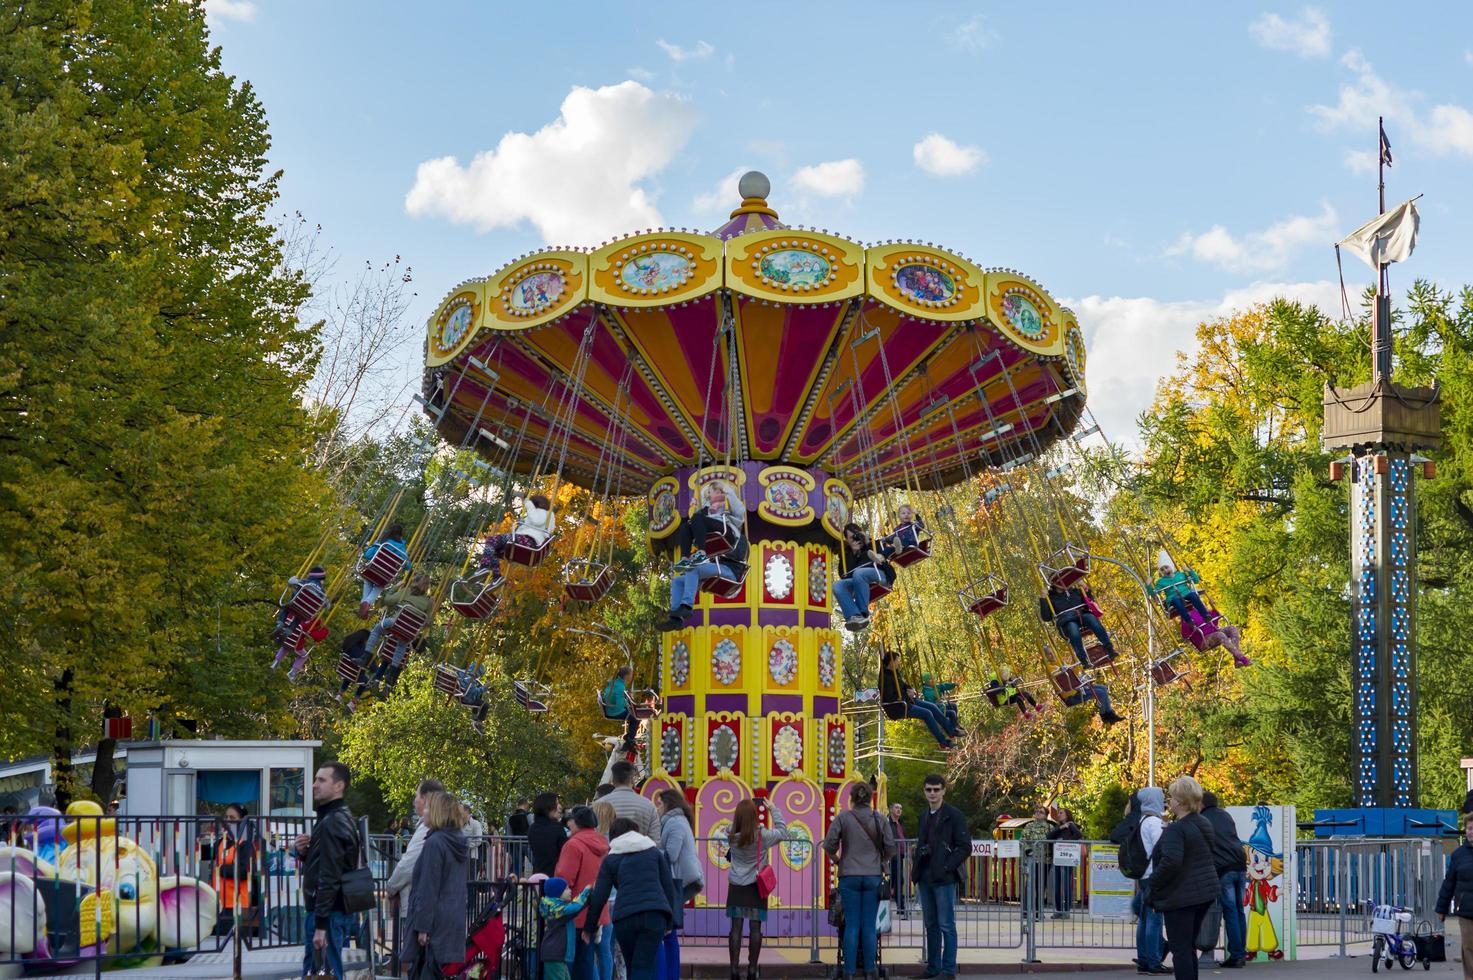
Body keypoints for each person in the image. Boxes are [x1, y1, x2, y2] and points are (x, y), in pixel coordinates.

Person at [582, 817, 681, 980]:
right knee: (645, 965)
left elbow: (600, 895)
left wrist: (589, 926)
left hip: (625, 916)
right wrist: (671, 921)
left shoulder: (610, 859)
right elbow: (668, 886)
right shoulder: (654, 852)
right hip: (655, 914)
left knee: (631, 965)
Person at [822, 782, 896, 980]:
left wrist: (838, 860)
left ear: (852, 798)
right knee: (869, 926)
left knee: (852, 925)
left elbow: (829, 844)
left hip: (849, 876)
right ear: (870, 798)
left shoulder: (843, 818)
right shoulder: (879, 819)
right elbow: (890, 847)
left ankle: (849, 971)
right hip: (872, 876)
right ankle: (870, 970)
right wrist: (881, 861)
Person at [294, 762, 360, 980]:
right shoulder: (336, 817)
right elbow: (332, 864)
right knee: (325, 972)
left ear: (339, 786)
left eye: (321, 780)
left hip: (327, 912)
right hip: (331, 910)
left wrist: (321, 925)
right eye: (315, 779)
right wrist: (306, 853)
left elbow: (331, 875)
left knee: (323, 973)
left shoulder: (334, 820)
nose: (314, 785)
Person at [1151, 776, 1220, 980]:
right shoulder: (1203, 822)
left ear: (1179, 802)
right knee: (1188, 947)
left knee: (1180, 949)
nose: (1169, 802)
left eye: (1171, 798)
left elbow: (1171, 862)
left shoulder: (1176, 829)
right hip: (1204, 892)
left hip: (1181, 895)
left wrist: (1153, 883)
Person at [658, 487, 748, 631]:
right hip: (716, 571)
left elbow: (738, 556)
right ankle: (675, 618)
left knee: (693, 569)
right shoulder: (714, 537)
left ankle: (687, 606)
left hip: (730, 573)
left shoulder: (739, 539)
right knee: (677, 580)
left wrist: (727, 491)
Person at [725, 797, 794, 980]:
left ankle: (733, 969)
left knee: (735, 928)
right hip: (756, 886)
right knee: (755, 928)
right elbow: (783, 831)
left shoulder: (730, 835)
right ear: (755, 816)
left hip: (736, 886)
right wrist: (773, 808)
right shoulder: (763, 837)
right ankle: (753, 969)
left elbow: (730, 828)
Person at [406, 790, 470, 978]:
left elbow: (428, 888)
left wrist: (422, 927)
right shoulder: (458, 842)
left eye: (427, 808)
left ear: (436, 812)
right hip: (452, 921)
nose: (423, 812)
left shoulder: (435, 843)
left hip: (433, 924)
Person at [912, 773, 969, 980]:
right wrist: (916, 868)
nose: (933, 793)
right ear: (924, 791)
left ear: (944, 790)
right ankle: (933, 968)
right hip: (925, 876)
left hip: (943, 877)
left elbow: (965, 846)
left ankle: (948, 970)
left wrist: (947, 866)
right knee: (931, 924)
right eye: (929, 789)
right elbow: (921, 843)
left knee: (946, 924)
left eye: (936, 789)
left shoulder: (954, 815)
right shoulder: (924, 816)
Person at [554, 806, 611, 980]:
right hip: (599, 911)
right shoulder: (603, 844)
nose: (568, 823)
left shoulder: (573, 845)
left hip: (575, 912)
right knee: (588, 961)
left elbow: (564, 879)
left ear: (577, 823)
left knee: (574, 963)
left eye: (571, 820)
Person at [384, 779, 447, 927]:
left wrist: (391, 889)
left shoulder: (428, 829)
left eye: (416, 796)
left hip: (418, 907)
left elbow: (408, 865)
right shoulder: (443, 826)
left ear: (425, 799)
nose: (414, 801)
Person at [656, 789, 703, 980]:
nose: (657, 807)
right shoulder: (678, 821)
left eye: (659, 803)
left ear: (668, 804)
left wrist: (653, 851)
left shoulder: (674, 823)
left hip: (675, 879)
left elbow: (671, 854)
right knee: (670, 931)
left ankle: (669, 974)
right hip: (678, 878)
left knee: (668, 931)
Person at [879, 648, 963, 749]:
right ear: (891, 662)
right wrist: (907, 695)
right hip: (899, 707)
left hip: (908, 701)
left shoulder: (895, 672)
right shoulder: (885, 678)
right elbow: (890, 696)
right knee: (927, 714)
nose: (899, 664)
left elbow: (903, 685)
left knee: (932, 707)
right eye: (897, 661)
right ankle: (943, 741)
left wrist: (910, 689)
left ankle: (950, 730)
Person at [1200, 791, 1248, 968]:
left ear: (1202, 804)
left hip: (1224, 869)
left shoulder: (1203, 819)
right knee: (1239, 910)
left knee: (1230, 912)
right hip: (1240, 866)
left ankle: (1236, 955)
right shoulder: (1225, 815)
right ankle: (1240, 952)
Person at [833, 523, 895, 632]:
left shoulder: (874, 543)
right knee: (837, 586)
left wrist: (868, 542)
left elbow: (884, 555)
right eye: (852, 538)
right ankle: (855, 616)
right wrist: (853, 552)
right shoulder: (847, 554)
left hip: (880, 575)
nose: (856, 539)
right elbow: (844, 574)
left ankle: (862, 613)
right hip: (859, 579)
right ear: (847, 540)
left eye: (857, 535)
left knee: (859, 573)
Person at [479, 493, 556, 579]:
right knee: (494, 550)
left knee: (491, 540)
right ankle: (496, 577)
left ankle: (484, 567)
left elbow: (536, 521)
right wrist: (523, 523)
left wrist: (528, 503)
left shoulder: (545, 513)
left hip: (528, 541)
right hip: (528, 542)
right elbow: (536, 524)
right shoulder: (545, 516)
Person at [1135, 787, 1170, 976]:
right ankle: (1153, 962)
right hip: (1154, 876)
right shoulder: (1154, 822)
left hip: (1143, 876)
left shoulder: (1141, 820)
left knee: (1144, 919)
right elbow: (1162, 848)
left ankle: (1143, 959)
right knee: (1154, 920)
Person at [1039, 583, 1117, 667]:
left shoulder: (1075, 591)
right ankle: (1083, 659)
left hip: (1083, 614)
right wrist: (1043, 598)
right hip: (1067, 621)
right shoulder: (1051, 598)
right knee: (1073, 629)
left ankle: (1109, 647)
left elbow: (1090, 602)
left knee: (1092, 619)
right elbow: (1046, 617)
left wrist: (1086, 589)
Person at [1436, 813, 1473, 980]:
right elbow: (1449, 882)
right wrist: (1441, 908)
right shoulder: (1458, 855)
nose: (1472, 832)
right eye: (1470, 828)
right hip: (1466, 911)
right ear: (1465, 831)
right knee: (1468, 948)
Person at [212, 803, 258, 936]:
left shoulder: (246, 845)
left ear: (242, 821)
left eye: (232, 818)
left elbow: (245, 871)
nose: (227, 821)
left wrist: (221, 869)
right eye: (226, 817)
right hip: (219, 904)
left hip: (237, 905)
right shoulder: (220, 842)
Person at [539, 875, 593, 980]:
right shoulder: (557, 910)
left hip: (556, 955)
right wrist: (586, 891)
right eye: (566, 888)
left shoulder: (558, 908)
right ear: (557, 893)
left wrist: (588, 898)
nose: (569, 891)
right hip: (555, 954)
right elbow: (574, 908)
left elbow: (575, 909)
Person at [358, 523, 411, 618]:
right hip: (385, 576)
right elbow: (408, 566)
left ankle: (364, 602)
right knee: (379, 586)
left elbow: (368, 555)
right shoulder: (402, 550)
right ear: (401, 536)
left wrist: (373, 546)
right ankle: (367, 602)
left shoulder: (382, 542)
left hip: (373, 570)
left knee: (368, 580)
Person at [603, 760, 660, 840]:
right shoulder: (648, 805)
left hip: (610, 851)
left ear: (613, 780)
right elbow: (655, 840)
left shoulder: (600, 805)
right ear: (632, 780)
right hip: (641, 850)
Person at [1018, 805, 1054, 915]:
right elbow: (1023, 840)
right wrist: (1028, 851)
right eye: (1036, 811)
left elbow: (1053, 842)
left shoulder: (1050, 827)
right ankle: (1025, 910)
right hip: (1032, 860)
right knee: (1028, 885)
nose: (1038, 813)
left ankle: (1039, 911)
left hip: (1045, 861)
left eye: (1041, 812)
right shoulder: (1029, 826)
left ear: (1046, 815)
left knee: (1041, 887)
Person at [1152, 555, 1211, 622]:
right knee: (1176, 600)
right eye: (1162, 570)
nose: (1165, 570)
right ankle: (1189, 620)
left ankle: (1205, 615)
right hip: (1173, 598)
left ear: (1171, 566)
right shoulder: (1161, 581)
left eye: (1166, 567)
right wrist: (1149, 586)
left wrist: (1189, 571)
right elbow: (1155, 593)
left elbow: (1196, 580)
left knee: (1193, 595)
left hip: (1186, 594)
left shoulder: (1181, 575)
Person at [1047, 808, 1083, 918]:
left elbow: (1078, 834)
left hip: (1068, 859)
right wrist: (1061, 828)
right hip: (1057, 859)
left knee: (1066, 884)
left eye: (1061, 813)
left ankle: (1066, 911)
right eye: (1058, 813)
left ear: (1067, 815)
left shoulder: (1072, 825)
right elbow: (1048, 836)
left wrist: (1066, 842)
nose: (1059, 814)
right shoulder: (1058, 827)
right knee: (1057, 886)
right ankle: (1058, 910)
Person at [601, 667, 642, 754]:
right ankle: (629, 741)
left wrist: (627, 702)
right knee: (636, 718)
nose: (632, 676)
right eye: (631, 674)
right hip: (614, 711)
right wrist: (628, 705)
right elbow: (619, 705)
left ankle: (629, 738)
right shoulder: (620, 686)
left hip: (611, 709)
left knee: (633, 713)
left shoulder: (615, 683)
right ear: (626, 676)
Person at [529, 791, 567, 877]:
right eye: (557, 804)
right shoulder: (557, 828)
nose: (560, 807)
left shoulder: (532, 828)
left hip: (537, 874)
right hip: (555, 876)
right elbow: (564, 852)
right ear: (548, 807)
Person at [887, 802, 908, 918]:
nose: (899, 810)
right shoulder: (888, 823)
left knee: (899, 880)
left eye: (900, 808)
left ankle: (901, 907)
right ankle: (899, 907)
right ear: (891, 810)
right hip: (891, 855)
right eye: (896, 808)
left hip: (899, 855)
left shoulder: (900, 824)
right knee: (892, 881)